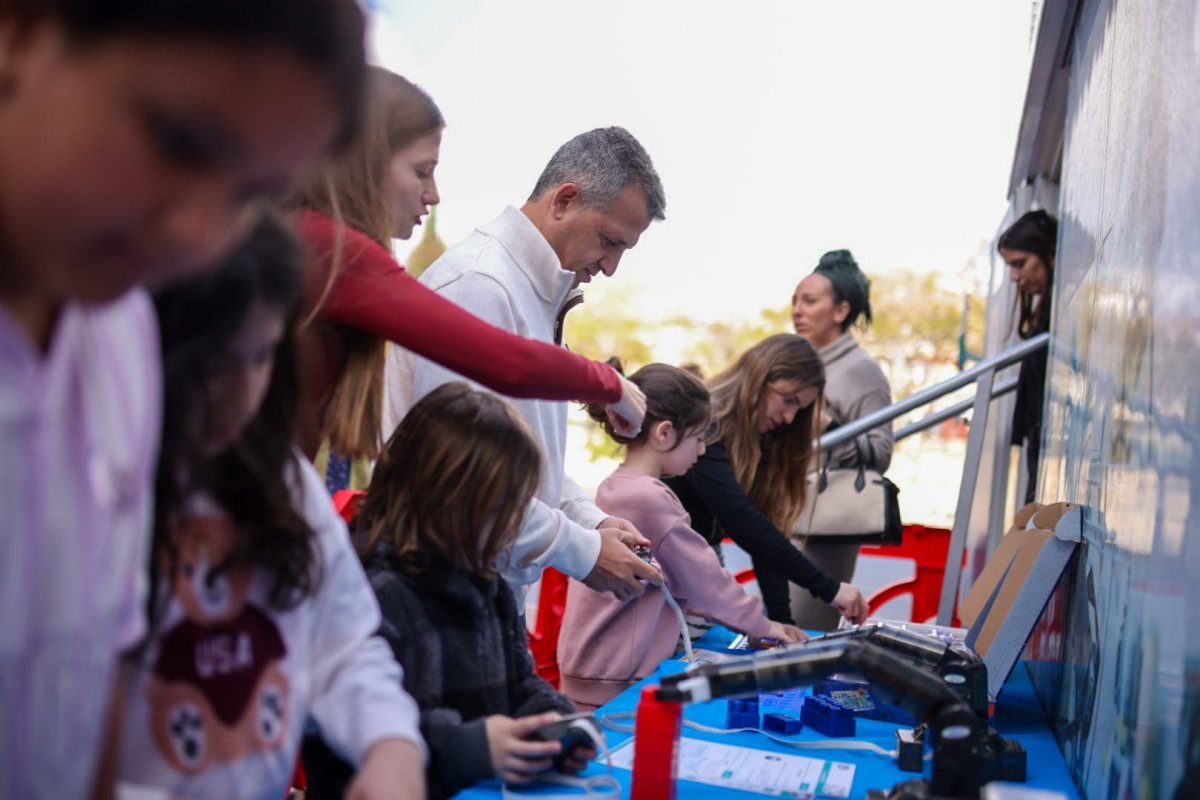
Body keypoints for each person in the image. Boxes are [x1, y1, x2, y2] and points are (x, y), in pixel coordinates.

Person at [0, 2, 366, 797]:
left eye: (249, 194)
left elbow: (87, 688)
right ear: (21, 31)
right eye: (177, 140)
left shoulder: (120, 330)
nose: (198, 235)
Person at [119, 216, 425, 799]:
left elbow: (344, 642)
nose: (239, 391)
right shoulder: (102, 488)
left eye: (258, 357)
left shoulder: (284, 480)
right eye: (213, 363)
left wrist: (391, 743)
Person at [285, 68, 645, 491]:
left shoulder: (312, 240)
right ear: (364, 162)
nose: (434, 193)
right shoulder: (333, 250)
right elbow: (505, 361)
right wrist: (610, 384)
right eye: (422, 171)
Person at [384, 126, 667, 604]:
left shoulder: (528, 290)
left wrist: (588, 518)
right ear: (564, 200)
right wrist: (584, 550)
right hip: (441, 598)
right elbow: (463, 486)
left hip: (479, 595)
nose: (611, 267)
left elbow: (526, 459)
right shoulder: (480, 286)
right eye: (609, 241)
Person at [303, 383, 595, 799]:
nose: (512, 526)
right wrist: (468, 749)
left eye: (519, 508)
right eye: (497, 509)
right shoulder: (373, 593)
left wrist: (553, 727)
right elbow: (346, 741)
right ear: (440, 497)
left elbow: (519, 681)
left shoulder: (486, 579)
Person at [558, 364, 805, 710]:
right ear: (664, 433)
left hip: (588, 664)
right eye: (699, 438)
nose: (702, 451)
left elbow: (681, 583)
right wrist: (761, 624)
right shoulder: (652, 499)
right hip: (618, 675)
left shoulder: (615, 486)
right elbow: (705, 579)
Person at [664, 334, 872, 627]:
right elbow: (742, 520)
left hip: (702, 566)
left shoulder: (761, 437)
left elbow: (764, 529)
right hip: (662, 568)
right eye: (787, 400)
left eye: (798, 409)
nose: (789, 417)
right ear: (760, 377)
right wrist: (829, 588)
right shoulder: (707, 424)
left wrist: (782, 622)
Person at [789, 249, 893, 629]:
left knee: (802, 630)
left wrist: (829, 428)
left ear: (840, 311)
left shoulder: (861, 370)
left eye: (810, 301)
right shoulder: (801, 361)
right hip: (787, 513)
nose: (798, 310)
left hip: (827, 524)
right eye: (795, 301)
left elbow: (881, 452)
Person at [997, 209, 1057, 504]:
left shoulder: (1057, 316)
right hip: (1040, 442)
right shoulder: (1044, 314)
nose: (1015, 277)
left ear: (1050, 253)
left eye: (1020, 264)